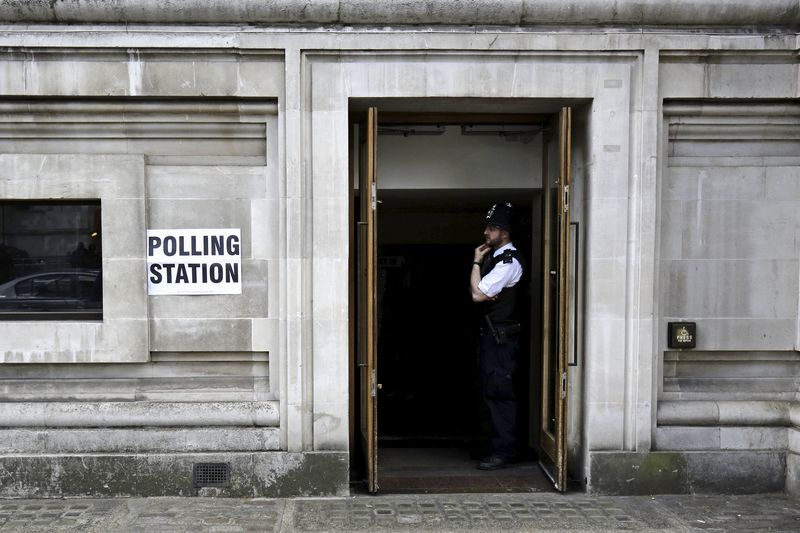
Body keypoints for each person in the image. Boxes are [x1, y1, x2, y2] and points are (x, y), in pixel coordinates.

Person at [469, 202, 524, 470]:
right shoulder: (497, 257)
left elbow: (477, 294)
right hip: (493, 336)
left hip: (502, 338)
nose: (486, 232)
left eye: (492, 228)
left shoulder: (508, 261)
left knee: (500, 393)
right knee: (488, 391)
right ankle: (492, 446)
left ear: (504, 231)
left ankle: (505, 451)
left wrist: (476, 263)